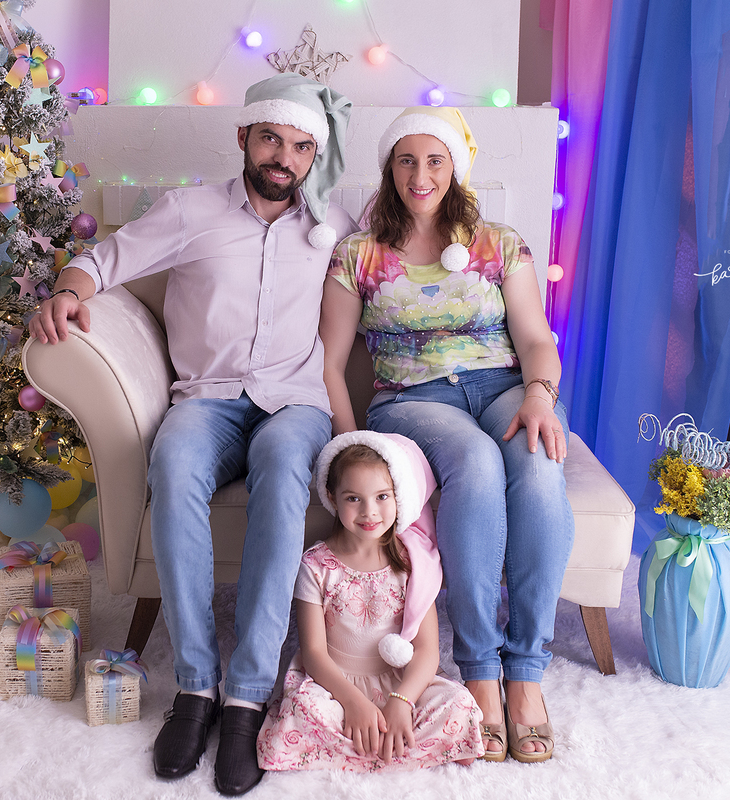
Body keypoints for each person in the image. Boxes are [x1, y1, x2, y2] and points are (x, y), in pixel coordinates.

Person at [28, 74, 356, 795]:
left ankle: (246, 698)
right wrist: (68, 292)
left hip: (292, 404)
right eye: (271, 139)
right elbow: (103, 260)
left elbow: (394, 259)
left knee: (282, 486)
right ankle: (196, 688)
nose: (283, 158)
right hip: (205, 400)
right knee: (173, 467)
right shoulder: (190, 210)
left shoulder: (332, 226)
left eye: (301, 147)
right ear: (243, 137)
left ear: (313, 157)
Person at [318, 106, 574, 763]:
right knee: (476, 464)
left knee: (538, 465)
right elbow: (329, 358)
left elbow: (537, 339)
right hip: (413, 398)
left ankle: (527, 675)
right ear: (389, 168)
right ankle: (482, 670)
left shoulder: (499, 244)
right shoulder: (359, 253)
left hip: (505, 386)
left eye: (434, 160)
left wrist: (541, 397)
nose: (420, 174)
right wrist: (351, 447)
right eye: (406, 160)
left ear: (455, 166)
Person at [256, 431, 484, 772]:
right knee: (301, 710)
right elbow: (314, 654)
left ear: (398, 497)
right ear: (332, 497)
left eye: (381, 496)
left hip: (398, 683)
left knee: (458, 704)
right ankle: (400, 749)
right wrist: (353, 703)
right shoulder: (316, 565)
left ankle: (374, 744)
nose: (369, 512)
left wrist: (402, 702)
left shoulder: (411, 563)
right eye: (353, 499)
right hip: (335, 685)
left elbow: (427, 651)